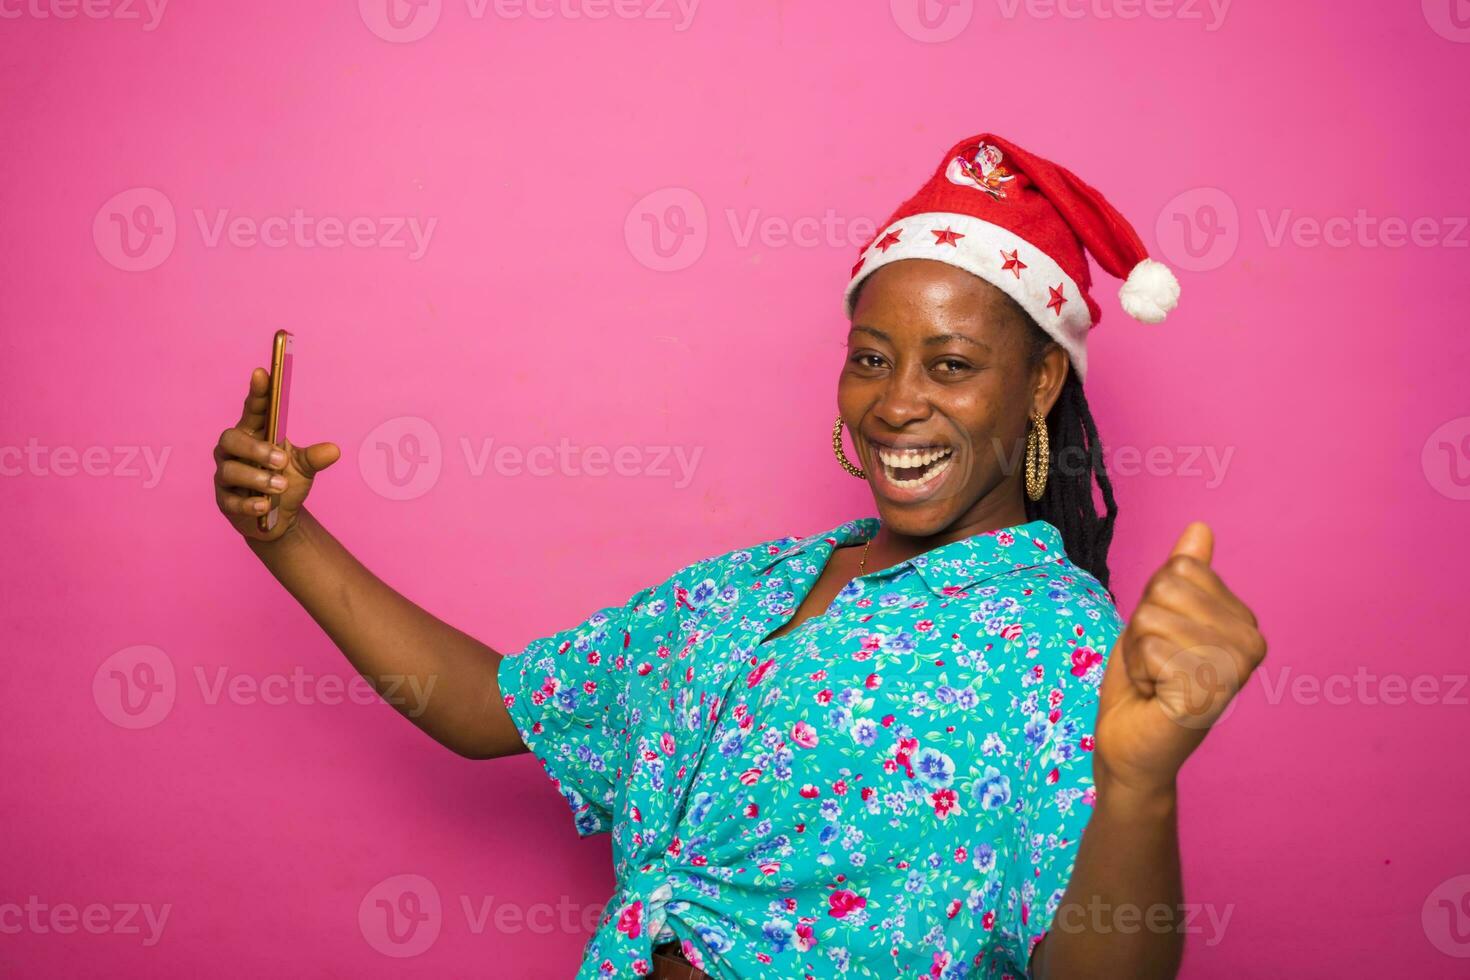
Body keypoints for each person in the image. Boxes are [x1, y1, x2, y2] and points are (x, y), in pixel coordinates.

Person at [211, 132, 1267, 979]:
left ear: (1038, 387)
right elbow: (492, 704)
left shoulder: (1067, 644)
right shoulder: (753, 586)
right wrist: (285, 533)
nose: (897, 402)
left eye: (951, 364)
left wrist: (1140, 787)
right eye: (870, 358)